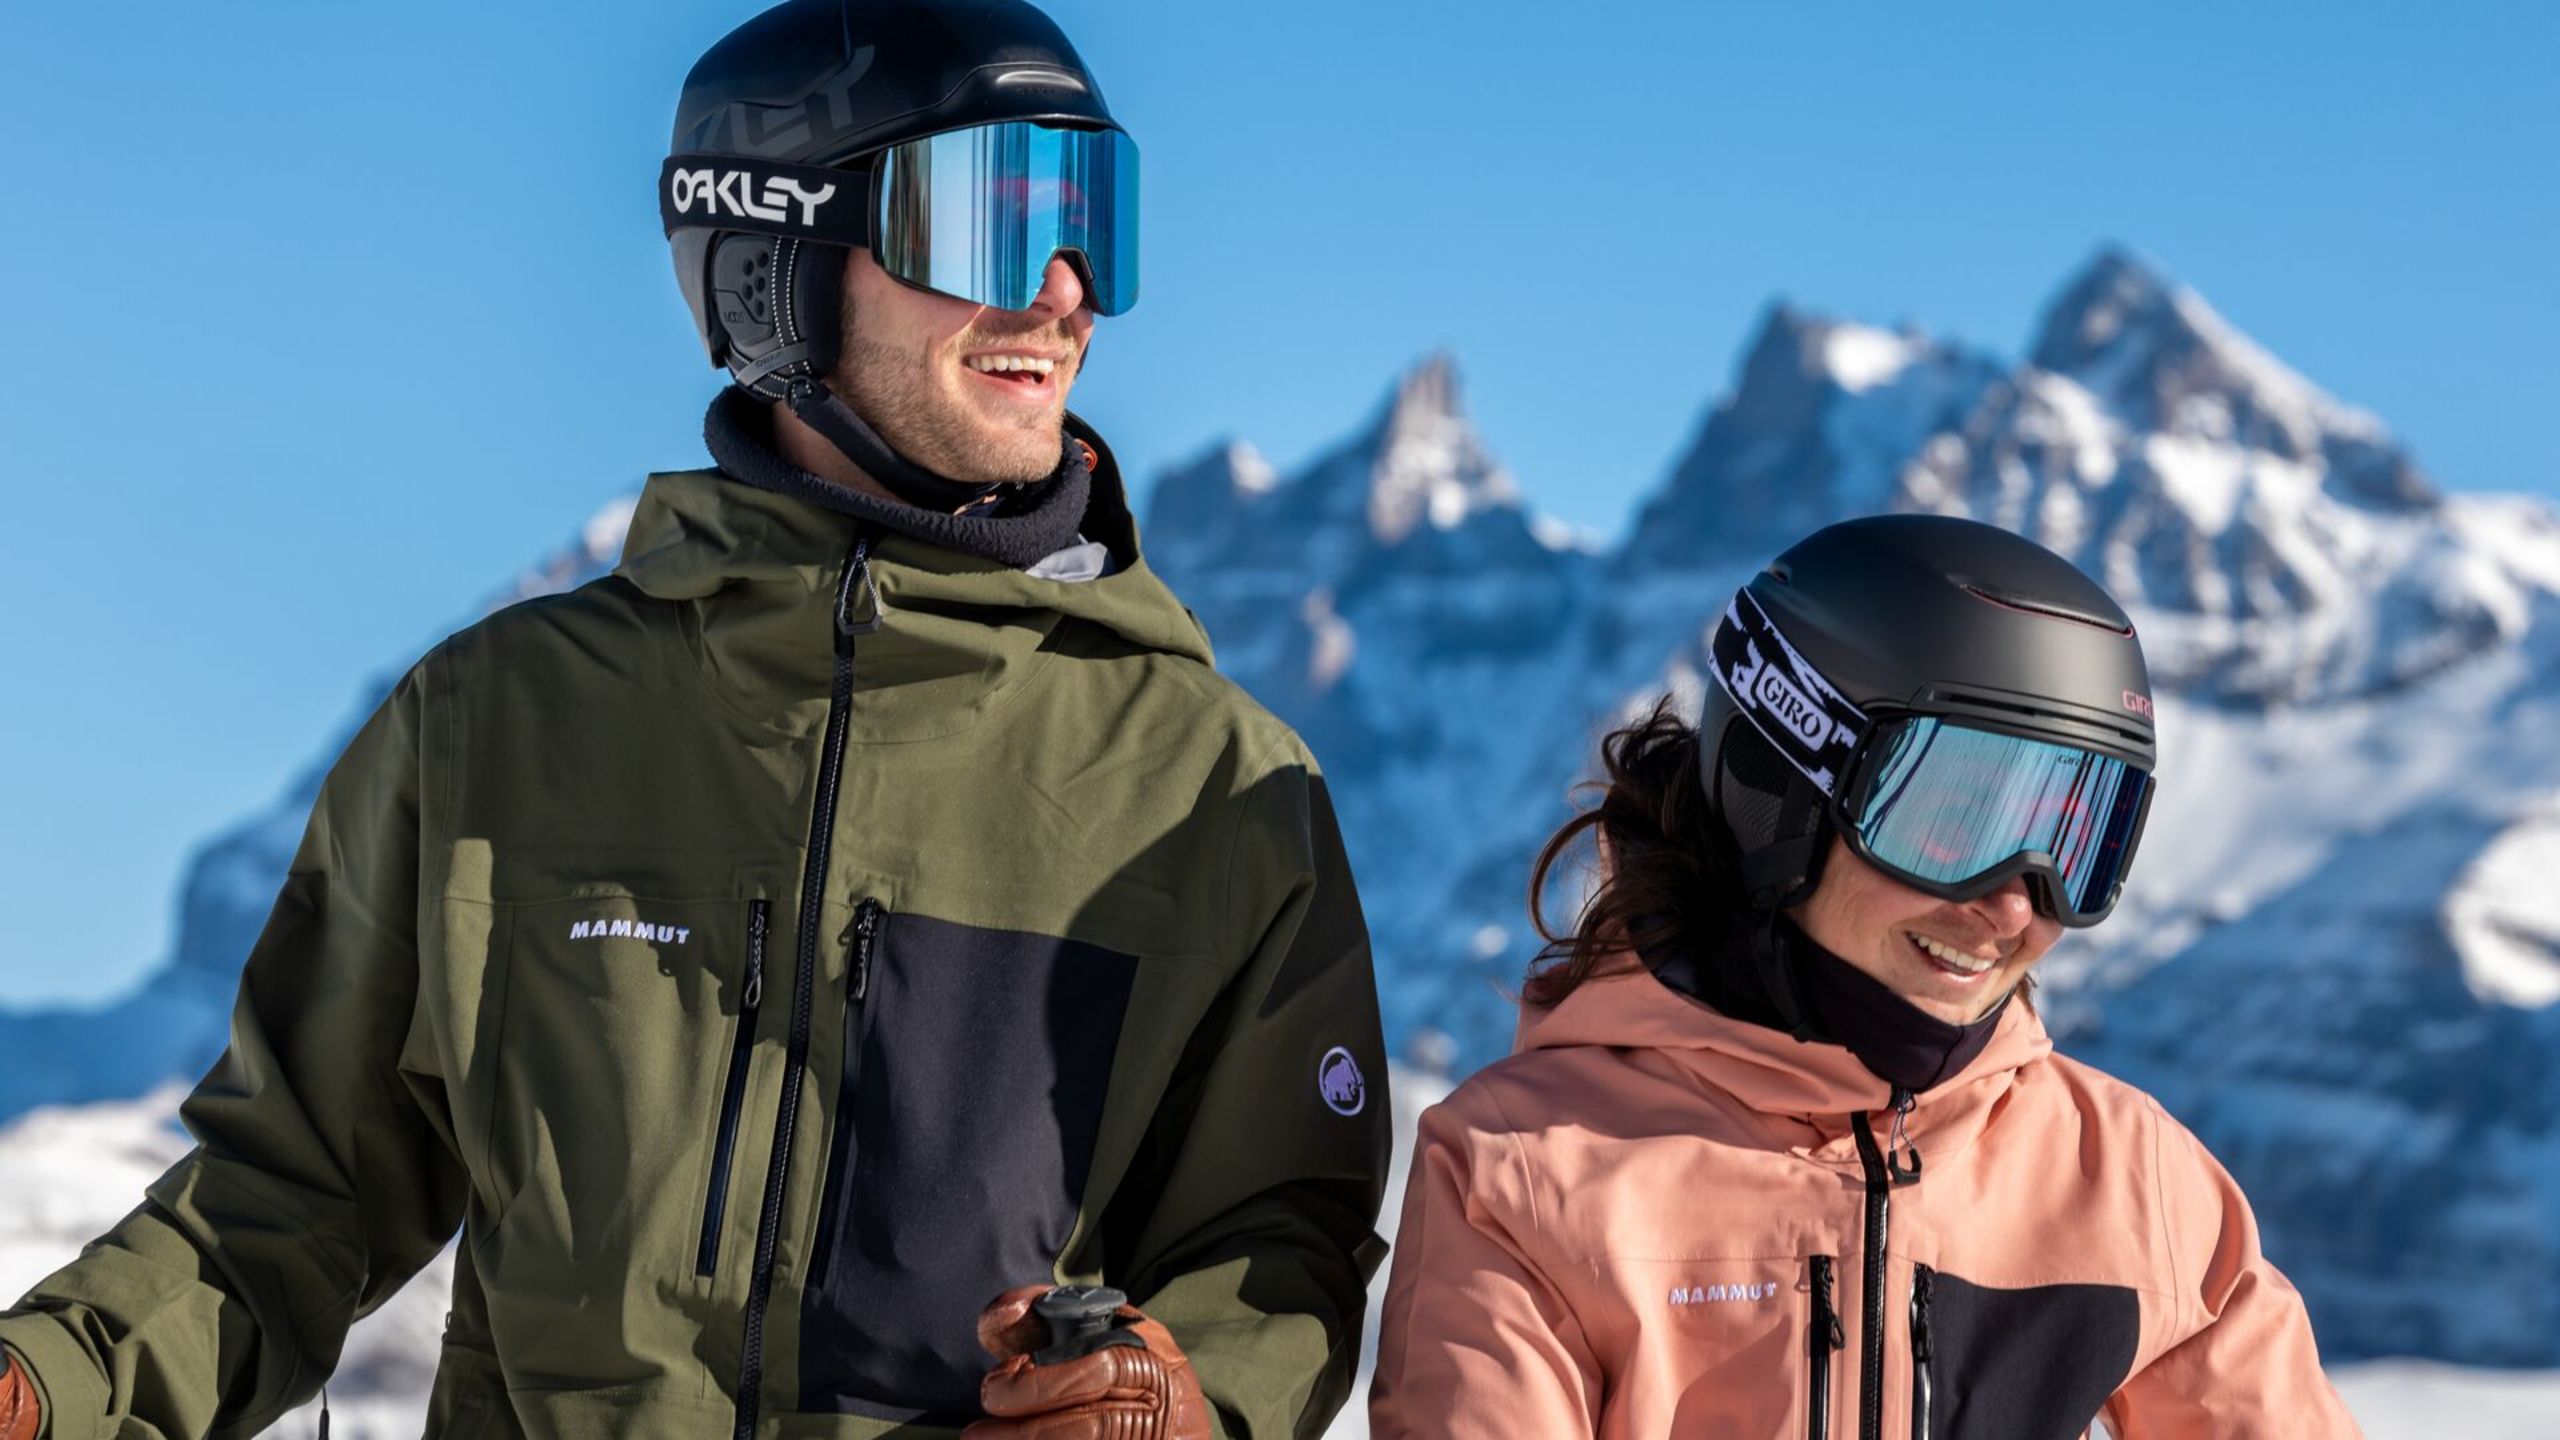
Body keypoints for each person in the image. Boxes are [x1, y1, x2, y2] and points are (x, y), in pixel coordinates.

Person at [0, 3, 1390, 1437]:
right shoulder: (497, 727)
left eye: (1096, 223)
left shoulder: (1212, 791)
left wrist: (1187, 1406)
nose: (1062, 294)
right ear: (775, 262)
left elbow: (1276, 1247)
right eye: (991, 219)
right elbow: (289, 1201)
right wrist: (42, 1389)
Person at [1368, 514, 2359, 1438]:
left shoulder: (2134, 1182)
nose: (2015, 907)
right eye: (1952, 824)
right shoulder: (1525, 1171)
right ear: (1782, 798)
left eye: (2074, 845)